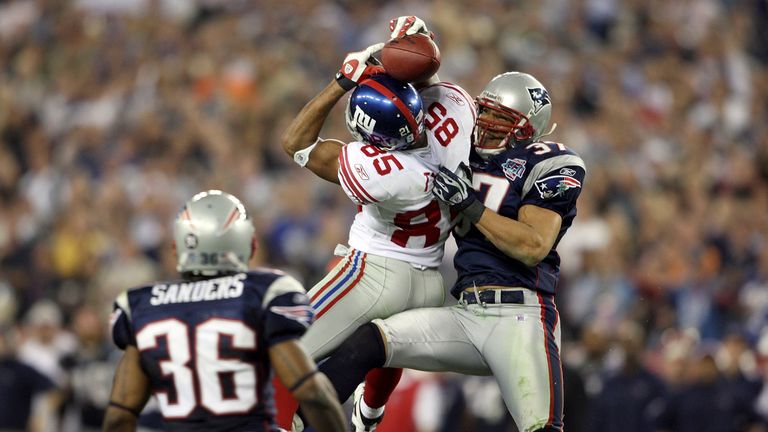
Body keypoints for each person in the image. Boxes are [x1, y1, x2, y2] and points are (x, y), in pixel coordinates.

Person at [317, 70, 587, 432]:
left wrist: (470, 205)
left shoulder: (547, 161)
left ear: (525, 130)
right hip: (465, 312)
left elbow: (532, 246)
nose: (486, 123)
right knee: (372, 340)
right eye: (485, 111)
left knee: (542, 428)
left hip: (521, 316)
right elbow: (424, 107)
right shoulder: (460, 150)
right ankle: (302, 423)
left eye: (500, 117)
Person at [280, 16, 476, 432]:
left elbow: (295, 143)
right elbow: (423, 77)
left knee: (282, 353)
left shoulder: (383, 170)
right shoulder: (456, 105)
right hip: (428, 280)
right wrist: (414, 46)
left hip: (375, 272)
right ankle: (369, 414)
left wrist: (343, 80)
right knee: (384, 346)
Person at [102, 190, 345, 432]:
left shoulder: (143, 307)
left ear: (178, 248)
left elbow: (119, 418)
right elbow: (311, 393)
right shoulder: (263, 294)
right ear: (248, 245)